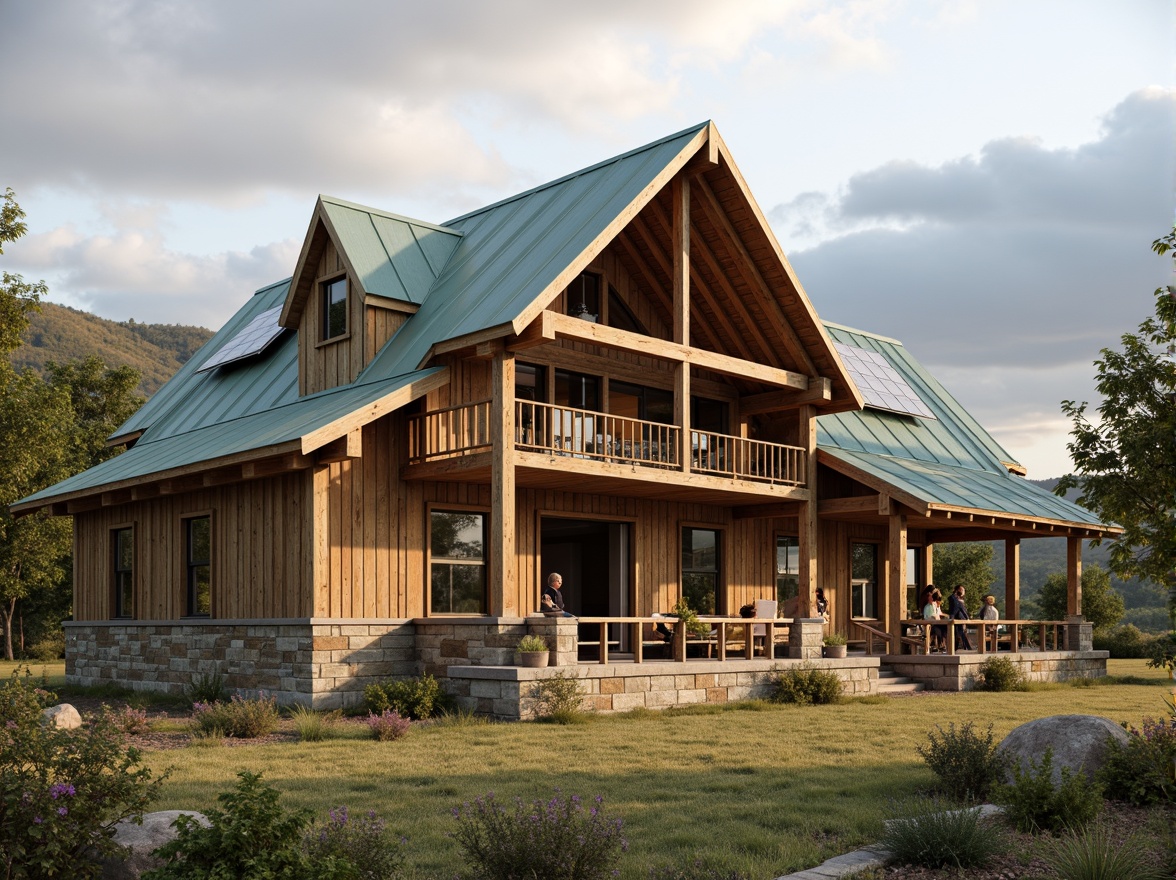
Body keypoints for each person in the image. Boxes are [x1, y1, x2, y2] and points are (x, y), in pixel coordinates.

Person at [923, 587, 948, 653]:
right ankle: (940, 646)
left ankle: (942, 645)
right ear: (928, 598)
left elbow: (938, 613)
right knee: (939, 629)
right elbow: (931, 617)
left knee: (944, 628)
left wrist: (946, 616)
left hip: (935, 623)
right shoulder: (928, 607)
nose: (932, 599)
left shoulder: (934, 605)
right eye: (931, 597)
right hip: (930, 625)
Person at [948, 584, 972, 650]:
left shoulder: (960, 599)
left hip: (961, 618)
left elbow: (963, 610)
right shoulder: (954, 598)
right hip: (957, 618)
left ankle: (965, 647)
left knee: (961, 633)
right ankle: (965, 647)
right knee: (958, 634)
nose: (963, 591)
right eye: (962, 590)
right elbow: (958, 609)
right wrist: (967, 618)